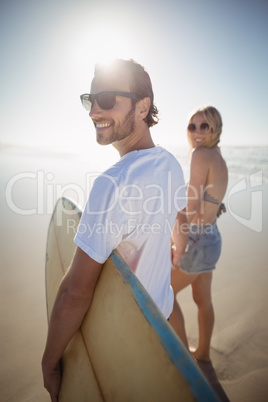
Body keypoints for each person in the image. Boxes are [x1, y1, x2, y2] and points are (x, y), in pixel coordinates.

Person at [42, 59, 188, 401]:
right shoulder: (169, 163)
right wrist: (170, 248)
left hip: (125, 352)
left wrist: (49, 364)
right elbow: (176, 221)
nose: (94, 111)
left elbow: (74, 293)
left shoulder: (113, 183)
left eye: (107, 99)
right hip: (159, 322)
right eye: (89, 100)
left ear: (143, 107)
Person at [169, 106, 228, 364]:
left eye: (204, 126)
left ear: (215, 128)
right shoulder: (218, 156)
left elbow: (191, 205)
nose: (197, 132)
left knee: (164, 293)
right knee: (203, 300)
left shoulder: (200, 154)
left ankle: (184, 360)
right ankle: (202, 354)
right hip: (211, 238)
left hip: (197, 240)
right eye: (192, 126)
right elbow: (213, 199)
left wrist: (174, 237)